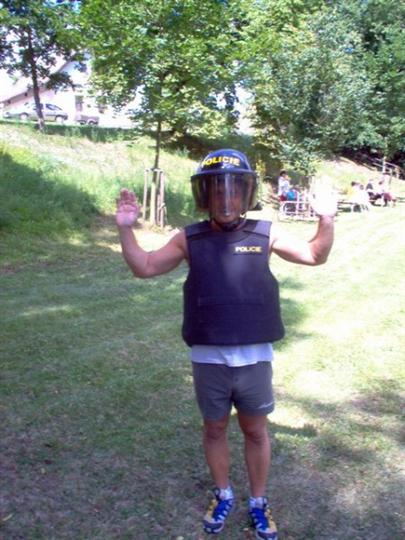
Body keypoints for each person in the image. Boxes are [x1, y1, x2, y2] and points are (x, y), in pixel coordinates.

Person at [116, 149, 336, 539]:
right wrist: (125, 229)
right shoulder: (189, 238)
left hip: (254, 359)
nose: (226, 198)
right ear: (206, 195)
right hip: (208, 359)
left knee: (255, 431)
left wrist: (327, 218)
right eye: (218, 190)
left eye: (234, 190)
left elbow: (314, 255)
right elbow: (144, 267)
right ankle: (223, 493)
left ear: (246, 193)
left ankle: (258, 501)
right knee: (214, 429)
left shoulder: (266, 233)